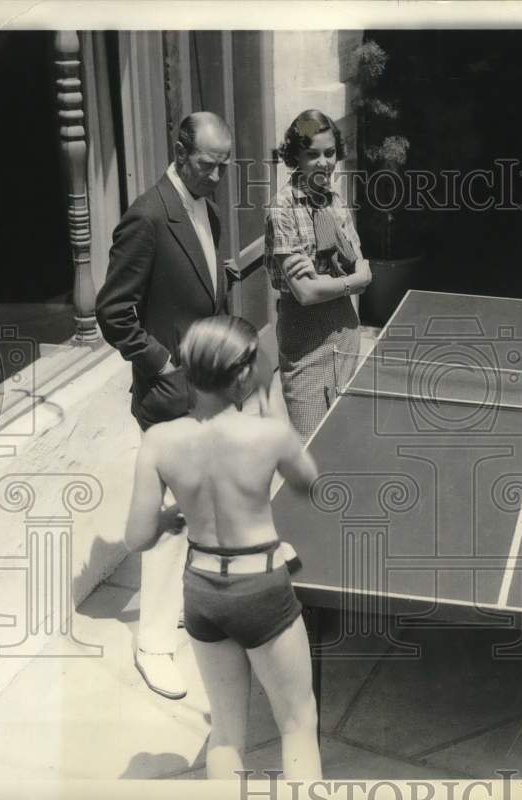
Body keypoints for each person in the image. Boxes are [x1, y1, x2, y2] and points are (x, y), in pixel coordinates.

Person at [124, 316, 321, 779]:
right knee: (298, 723)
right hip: (261, 590)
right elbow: (308, 481)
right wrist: (269, 395)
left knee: (227, 735)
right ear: (243, 373)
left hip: (202, 592)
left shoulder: (159, 440)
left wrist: (168, 518)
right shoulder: (267, 435)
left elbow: (137, 538)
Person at [96, 111, 235, 699]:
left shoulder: (206, 208)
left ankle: (181, 610)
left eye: (224, 166)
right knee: (171, 521)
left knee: (200, 508)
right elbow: (112, 311)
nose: (217, 178)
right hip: (170, 395)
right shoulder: (147, 216)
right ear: (180, 153)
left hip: (206, 392)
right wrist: (162, 362)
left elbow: (194, 291)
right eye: (208, 165)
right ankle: (152, 644)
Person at [264, 108, 373, 441]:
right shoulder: (282, 209)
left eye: (330, 153)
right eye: (313, 154)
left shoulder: (335, 200)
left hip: (345, 328)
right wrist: (350, 280)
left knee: (343, 439)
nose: (324, 163)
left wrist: (323, 278)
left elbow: (362, 269)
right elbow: (306, 294)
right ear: (295, 156)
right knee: (310, 444)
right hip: (305, 338)